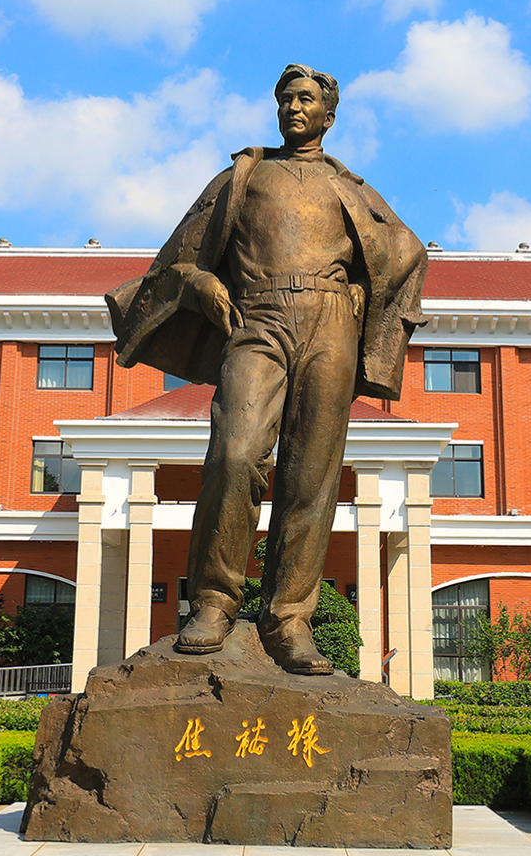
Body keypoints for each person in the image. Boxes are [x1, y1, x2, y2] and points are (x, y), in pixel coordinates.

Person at [107, 64, 426, 674]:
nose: (293, 108)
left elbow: (405, 253)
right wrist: (200, 284)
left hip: (331, 325)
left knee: (312, 475)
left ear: (329, 115)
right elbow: (177, 261)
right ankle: (213, 601)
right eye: (285, 99)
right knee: (235, 452)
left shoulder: (351, 188)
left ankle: (289, 618)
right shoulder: (244, 177)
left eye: (305, 99)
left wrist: (361, 295)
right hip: (257, 317)